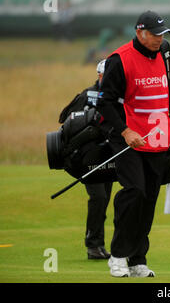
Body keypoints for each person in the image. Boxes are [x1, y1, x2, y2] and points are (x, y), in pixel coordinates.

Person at [97, 10, 170, 278]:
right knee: (134, 191)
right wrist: (124, 131)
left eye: (163, 34)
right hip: (129, 140)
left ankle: (138, 258)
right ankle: (118, 255)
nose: (160, 39)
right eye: (155, 34)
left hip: (159, 139)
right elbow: (105, 102)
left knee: (148, 200)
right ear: (140, 32)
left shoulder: (165, 52)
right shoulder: (120, 60)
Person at [58, 59, 112, 260]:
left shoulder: (117, 96)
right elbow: (68, 125)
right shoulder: (86, 96)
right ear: (100, 75)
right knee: (98, 197)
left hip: (106, 155)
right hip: (84, 157)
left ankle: (99, 245)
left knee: (104, 199)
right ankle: (93, 245)